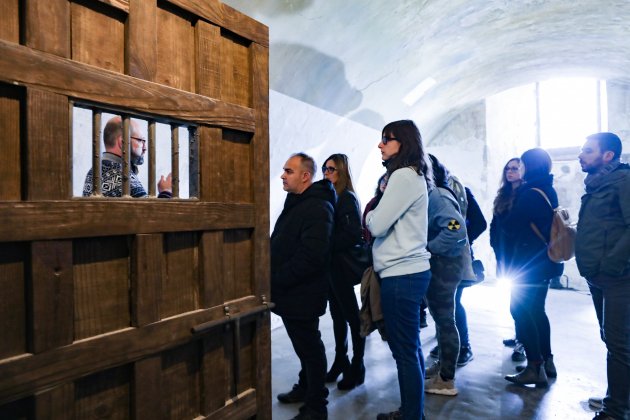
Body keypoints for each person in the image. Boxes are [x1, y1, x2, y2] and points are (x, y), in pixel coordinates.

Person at [366, 120, 432, 420]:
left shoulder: (404, 176)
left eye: (386, 139)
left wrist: (367, 217)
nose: (380, 145)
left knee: (404, 352)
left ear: (402, 143)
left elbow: (377, 223)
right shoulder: (408, 175)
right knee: (410, 348)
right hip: (405, 272)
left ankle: (411, 416)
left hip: (401, 274)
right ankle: (411, 411)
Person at [271, 152, 336, 420]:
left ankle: (316, 406)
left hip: (302, 292)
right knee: (303, 346)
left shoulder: (318, 207)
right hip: (292, 291)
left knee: (310, 347)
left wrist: (277, 277)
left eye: (289, 171)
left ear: (305, 176)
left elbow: (311, 256)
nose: (283, 175)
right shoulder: (297, 201)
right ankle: (306, 387)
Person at [575, 132, 630, 420]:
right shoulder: (598, 183)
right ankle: (618, 396)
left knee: (620, 343)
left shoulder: (623, 181)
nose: (581, 155)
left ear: (607, 156)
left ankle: (617, 410)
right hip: (599, 276)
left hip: (619, 277)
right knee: (612, 340)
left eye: (588, 150)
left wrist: (612, 264)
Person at [503, 148, 562, 388]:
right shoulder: (548, 189)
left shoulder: (528, 194)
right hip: (544, 262)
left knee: (520, 311)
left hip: (528, 265)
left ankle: (534, 366)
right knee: (537, 311)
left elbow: (511, 226)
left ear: (528, 167)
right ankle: (547, 361)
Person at [422, 154, 471, 397]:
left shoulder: (438, 196)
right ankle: (443, 366)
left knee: (445, 321)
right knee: (442, 321)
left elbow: (455, 228)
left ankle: (446, 379)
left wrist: (429, 247)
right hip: (443, 265)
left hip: (444, 266)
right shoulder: (436, 194)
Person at [322, 153, 367, 391]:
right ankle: (341, 360)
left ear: (341, 172)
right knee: (337, 315)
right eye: (324, 169)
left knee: (351, 316)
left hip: (341, 265)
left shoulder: (346, 198)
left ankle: (357, 366)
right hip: (331, 266)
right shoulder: (331, 196)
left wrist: (325, 244)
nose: (326, 173)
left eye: (331, 169)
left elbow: (352, 234)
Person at [490, 157, 526, 362]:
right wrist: (497, 250)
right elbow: (495, 225)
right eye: (507, 169)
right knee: (515, 300)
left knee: (521, 303)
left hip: (522, 257)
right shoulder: (503, 195)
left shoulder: (526, 195)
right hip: (505, 255)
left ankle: (523, 342)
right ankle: (520, 335)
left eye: (515, 168)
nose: (510, 172)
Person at [82, 116, 172, 198]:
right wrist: (166, 191)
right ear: (123, 142)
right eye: (140, 140)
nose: (145, 148)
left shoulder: (95, 171)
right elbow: (154, 214)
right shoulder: (122, 175)